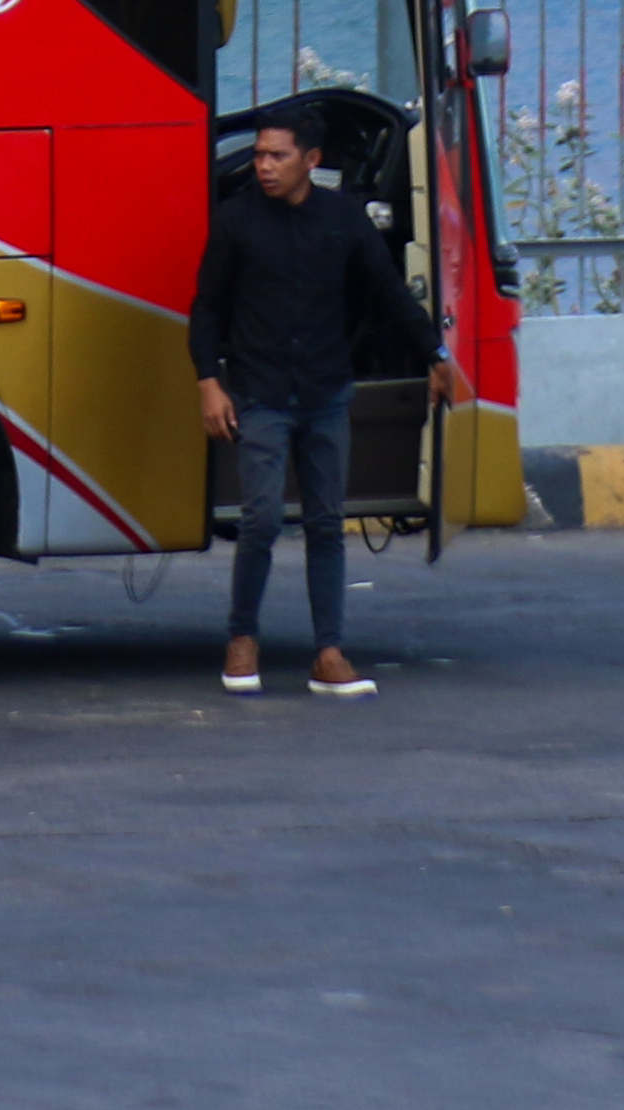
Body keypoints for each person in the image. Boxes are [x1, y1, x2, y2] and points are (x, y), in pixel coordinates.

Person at [189, 107, 465, 699]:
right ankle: (242, 639)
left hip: (325, 394)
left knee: (325, 524)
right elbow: (206, 308)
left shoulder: (343, 220)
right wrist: (208, 381)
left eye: (277, 156)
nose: (263, 166)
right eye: (260, 154)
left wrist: (437, 355)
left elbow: (391, 294)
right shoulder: (236, 221)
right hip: (260, 394)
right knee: (261, 519)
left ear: (311, 161)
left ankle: (330, 652)